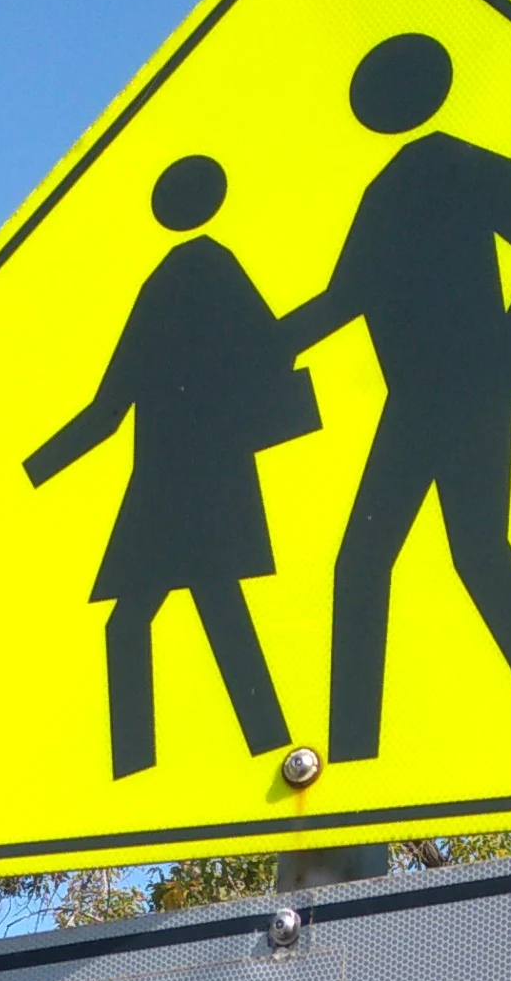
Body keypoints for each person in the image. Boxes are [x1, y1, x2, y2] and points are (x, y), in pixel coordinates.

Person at [282, 34, 511, 762]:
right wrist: (264, 347)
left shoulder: (458, 170)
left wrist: (502, 345)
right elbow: (346, 298)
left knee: (434, 554)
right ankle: (359, 753)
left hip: (460, 391)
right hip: (427, 397)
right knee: (425, 555)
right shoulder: (400, 185)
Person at [24, 155, 318, 778]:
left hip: (180, 483)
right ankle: (253, 746)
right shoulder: (197, 272)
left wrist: (36, 471)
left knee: (145, 619)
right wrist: (29, 474)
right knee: (188, 610)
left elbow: (109, 407)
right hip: (185, 482)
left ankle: (167, 763)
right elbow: (269, 350)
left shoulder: (183, 276)